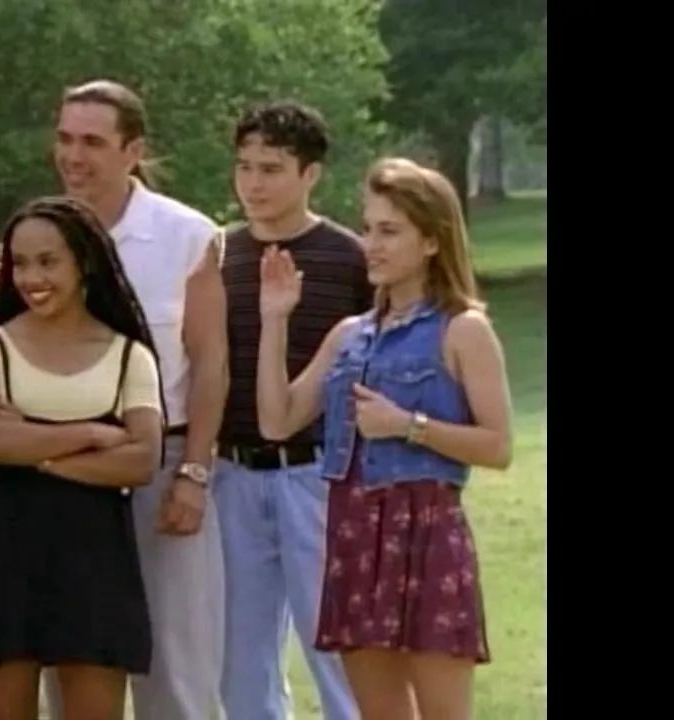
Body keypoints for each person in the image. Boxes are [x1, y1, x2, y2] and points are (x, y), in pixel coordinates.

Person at [255, 157, 512, 720]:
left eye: (389, 231)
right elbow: (278, 421)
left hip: (426, 532)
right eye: (368, 228)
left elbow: (498, 446)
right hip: (354, 533)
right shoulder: (350, 335)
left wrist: (408, 425)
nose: (370, 244)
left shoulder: (463, 329)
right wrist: (275, 320)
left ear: (432, 241)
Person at [46, 79, 230, 720]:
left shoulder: (189, 236)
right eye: (65, 139)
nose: (74, 156)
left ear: (133, 150)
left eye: (92, 142)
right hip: (65, 470)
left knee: (175, 668)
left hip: (162, 464)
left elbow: (210, 363)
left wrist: (194, 473)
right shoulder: (42, 233)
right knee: (73, 661)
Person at [0, 195, 164, 720]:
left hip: (96, 557)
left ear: (84, 262)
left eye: (48, 262)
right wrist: (93, 433)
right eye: (20, 263)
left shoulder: (129, 356)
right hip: (4, 553)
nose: (31, 278)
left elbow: (142, 460)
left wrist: (35, 450)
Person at [215, 101, 367, 720]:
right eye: (244, 167)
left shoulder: (351, 258)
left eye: (271, 169)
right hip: (231, 472)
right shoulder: (217, 255)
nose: (253, 183)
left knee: (336, 647)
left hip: (319, 473)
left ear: (310, 174)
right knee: (239, 656)